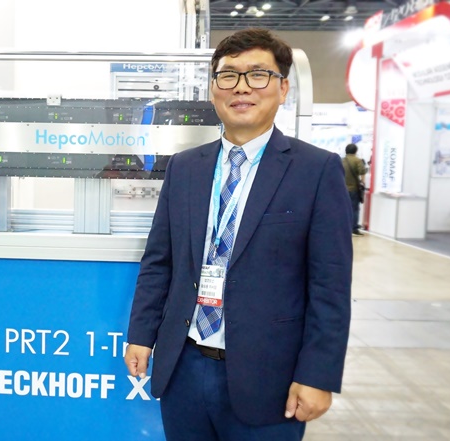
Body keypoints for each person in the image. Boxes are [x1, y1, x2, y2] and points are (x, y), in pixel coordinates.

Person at [124, 28, 353, 441]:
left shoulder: (316, 170)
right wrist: (141, 334)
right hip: (183, 368)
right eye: (228, 75)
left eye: (258, 74)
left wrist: (318, 374)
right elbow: (160, 261)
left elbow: (330, 285)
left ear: (283, 88)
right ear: (214, 89)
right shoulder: (185, 167)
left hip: (270, 377)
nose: (242, 87)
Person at [342, 143, 368, 236]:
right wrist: (363, 182)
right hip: (353, 189)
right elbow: (362, 172)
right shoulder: (357, 160)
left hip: (342, 189)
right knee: (354, 209)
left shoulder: (341, 160)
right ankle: (354, 228)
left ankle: (343, 227)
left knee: (342, 208)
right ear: (355, 151)